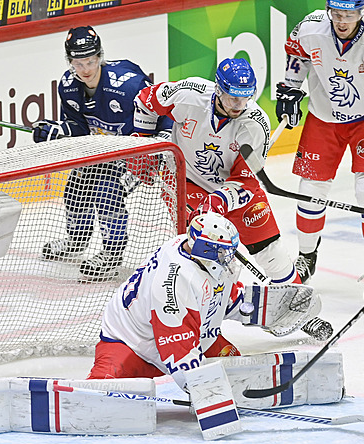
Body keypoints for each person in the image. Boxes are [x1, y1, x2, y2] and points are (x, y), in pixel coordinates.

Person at [276, 0, 364, 300]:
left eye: (349, 15)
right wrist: (291, 88)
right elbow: (297, 56)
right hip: (322, 117)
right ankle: (306, 257)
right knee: (310, 190)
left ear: (361, 13)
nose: (342, 21)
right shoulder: (310, 29)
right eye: (337, 14)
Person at [133, 57, 300, 286]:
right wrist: (144, 147)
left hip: (233, 190)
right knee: (204, 260)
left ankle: (300, 311)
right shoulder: (188, 95)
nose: (239, 105)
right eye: (233, 98)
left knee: (272, 255)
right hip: (186, 181)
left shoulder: (254, 124)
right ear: (218, 89)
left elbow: (246, 181)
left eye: (245, 98)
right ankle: (211, 311)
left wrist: (218, 201)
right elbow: (145, 101)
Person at [33, 25, 172, 280]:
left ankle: (112, 254)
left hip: (137, 153)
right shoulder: (67, 85)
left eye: (90, 61)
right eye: (78, 62)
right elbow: (79, 128)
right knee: (76, 187)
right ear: (69, 61)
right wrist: (58, 131)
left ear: (100, 56)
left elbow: (162, 112)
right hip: (101, 150)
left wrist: (161, 146)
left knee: (107, 190)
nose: (85, 69)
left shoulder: (128, 83)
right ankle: (76, 241)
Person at [87, 212, 244, 389]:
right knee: (100, 393)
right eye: (222, 252)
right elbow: (180, 357)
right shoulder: (173, 285)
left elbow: (228, 300)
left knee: (238, 374)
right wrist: (207, 392)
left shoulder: (196, 253)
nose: (228, 258)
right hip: (131, 340)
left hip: (185, 331)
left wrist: (266, 310)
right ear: (206, 249)